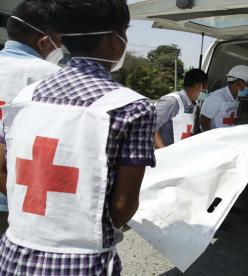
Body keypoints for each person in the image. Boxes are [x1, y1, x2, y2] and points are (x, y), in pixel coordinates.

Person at [0, 0, 156, 274]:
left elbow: (2, 168)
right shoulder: (133, 107)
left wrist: (35, 217)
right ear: (115, 40)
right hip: (83, 263)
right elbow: (123, 206)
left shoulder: (23, 98)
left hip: (14, 255)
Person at [0, 0, 63, 236]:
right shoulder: (51, 76)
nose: (59, 47)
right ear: (44, 41)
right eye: (59, 41)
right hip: (19, 196)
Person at [154, 69, 208, 148]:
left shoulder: (194, 107)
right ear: (199, 86)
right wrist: (164, 153)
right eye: (206, 89)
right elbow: (150, 128)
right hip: (164, 156)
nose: (206, 92)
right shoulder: (171, 102)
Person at [200, 65, 248, 131]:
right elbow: (204, 121)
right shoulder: (218, 97)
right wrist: (211, 139)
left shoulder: (235, 97)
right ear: (238, 83)